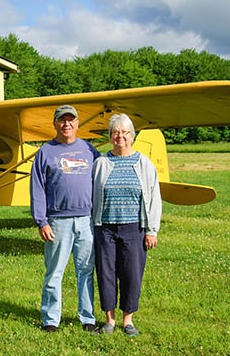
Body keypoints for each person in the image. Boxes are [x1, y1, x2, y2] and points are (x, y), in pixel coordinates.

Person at [30, 105, 100, 333]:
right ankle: (51, 320)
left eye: (71, 120)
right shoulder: (45, 152)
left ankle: (88, 318)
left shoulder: (89, 150)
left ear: (78, 124)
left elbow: (101, 180)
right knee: (54, 273)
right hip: (58, 221)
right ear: (55, 124)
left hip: (86, 220)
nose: (66, 124)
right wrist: (42, 220)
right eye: (62, 120)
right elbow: (38, 188)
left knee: (86, 271)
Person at [92, 114, 161, 336]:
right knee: (106, 273)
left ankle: (128, 320)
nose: (120, 136)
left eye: (125, 132)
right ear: (110, 136)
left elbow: (153, 197)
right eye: (115, 132)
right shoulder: (101, 163)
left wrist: (151, 230)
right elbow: (91, 195)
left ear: (132, 135)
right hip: (105, 228)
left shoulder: (144, 164)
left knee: (131, 274)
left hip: (134, 228)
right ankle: (109, 320)